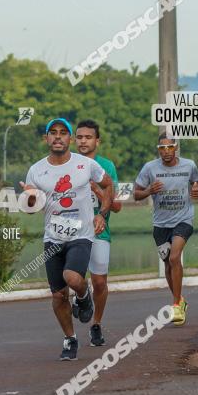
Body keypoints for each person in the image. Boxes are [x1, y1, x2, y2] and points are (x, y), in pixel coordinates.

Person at [21, 118, 114, 361]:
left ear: (70, 139)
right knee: (58, 295)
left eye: (63, 133)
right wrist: (30, 198)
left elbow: (108, 184)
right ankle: (70, 339)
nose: (58, 137)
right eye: (53, 133)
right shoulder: (36, 170)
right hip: (53, 237)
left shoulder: (86, 164)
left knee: (72, 277)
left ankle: (84, 297)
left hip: (81, 235)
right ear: (46, 139)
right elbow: (31, 209)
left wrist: (102, 214)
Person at [133, 134, 198, 325]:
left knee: (174, 257)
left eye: (169, 147)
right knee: (168, 265)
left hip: (184, 220)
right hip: (161, 224)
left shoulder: (189, 165)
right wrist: (149, 191)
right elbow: (136, 194)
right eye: (162, 148)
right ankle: (181, 300)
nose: (166, 151)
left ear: (175, 147)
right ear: (158, 150)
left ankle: (175, 305)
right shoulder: (150, 168)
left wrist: (195, 189)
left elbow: (195, 180)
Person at [74, 119, 121, 347]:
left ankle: (96, 324)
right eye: (80, 137)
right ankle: (81, 296)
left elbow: (117, 206)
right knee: (72, 277)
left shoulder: (106, 167)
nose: (83, 141)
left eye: (88, 137)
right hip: (72, 231)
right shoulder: (67, 164)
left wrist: (96, 189)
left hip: (99, 231)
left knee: (100, 283)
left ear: (97, 141)